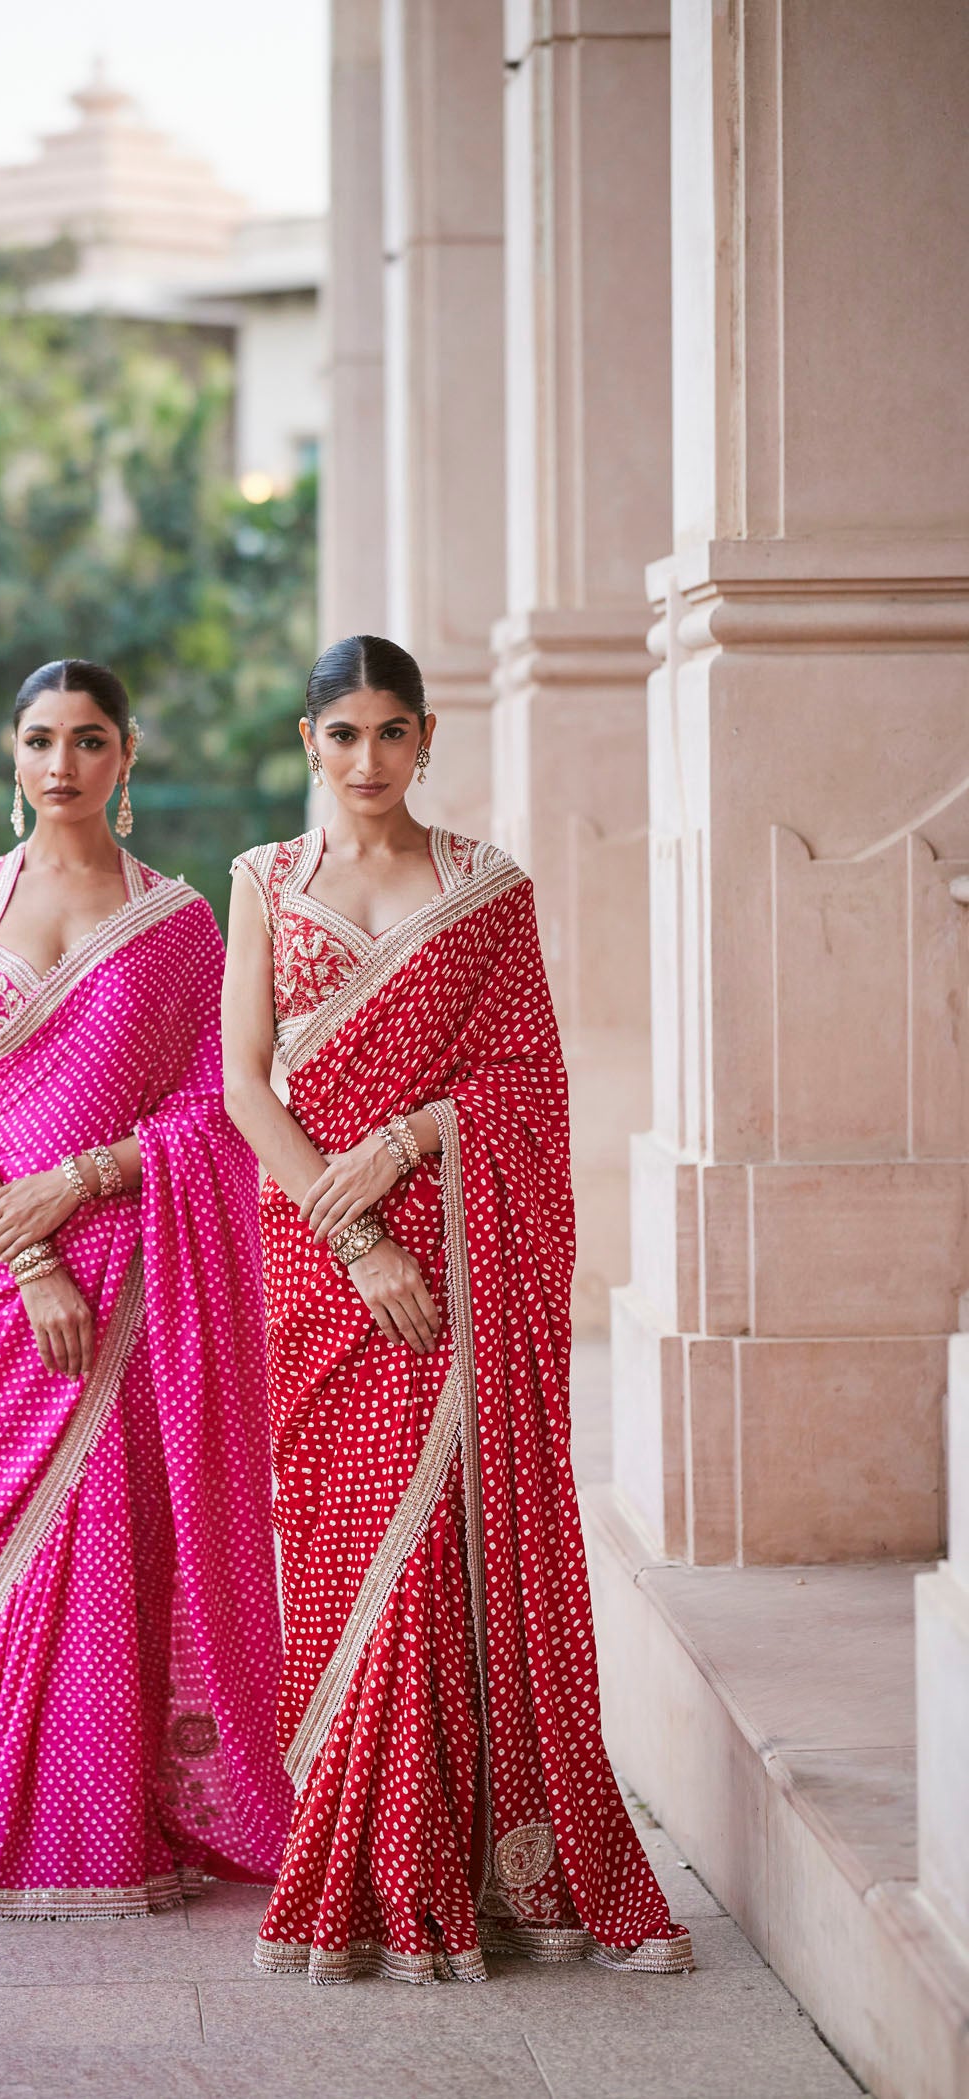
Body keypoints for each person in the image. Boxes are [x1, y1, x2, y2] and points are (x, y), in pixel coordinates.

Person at [221, 634, 693, 1984]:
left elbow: (530, 1089)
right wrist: (356, 1230)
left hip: (463, 1264)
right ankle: (366, 1869)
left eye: (390, 732)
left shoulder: (484, 889)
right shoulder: (265, 882)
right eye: (341, 733)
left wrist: (422, 1130)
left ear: (427, 738)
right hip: (330, 1262)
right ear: (306, 741)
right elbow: (248, 1087)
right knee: (350, 1547)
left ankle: (465, 1875)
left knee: (440, 1554)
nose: (366, 760)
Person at [0, 657, 291, 1920]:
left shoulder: (180, 922)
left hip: (133, 1265)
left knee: (123, 1539)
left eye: (86, 739)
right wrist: (26, 1257)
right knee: (28, 1551)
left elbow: (215, 1113)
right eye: (37, 740)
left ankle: (129, 1824)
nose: (60, 763)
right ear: (9, 758)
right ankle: (29, 1832)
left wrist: (80, 1181)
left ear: (126, 756)